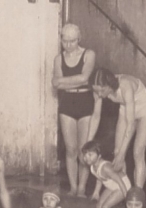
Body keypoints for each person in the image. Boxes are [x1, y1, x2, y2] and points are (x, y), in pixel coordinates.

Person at [88, 68, 146, 189]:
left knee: (137, 152)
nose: (99, 94)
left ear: (109, 84)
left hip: (145, 109)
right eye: (97, 91)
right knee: (117, 151)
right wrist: (88, 143)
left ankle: (137, 194)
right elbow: (95, 116)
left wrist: (122, 154)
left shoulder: (126, 85)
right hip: (126, 108)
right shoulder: (97, 87)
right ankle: (124, 189)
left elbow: (131, 125)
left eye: (102, 90)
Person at [52, 23, 96, 196]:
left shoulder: (89, 54)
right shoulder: (58, 59)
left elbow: (85, 78)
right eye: (65, 40)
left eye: (72, 41)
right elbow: (56, 84)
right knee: (70, 149)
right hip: (67, 103)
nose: (68, 44)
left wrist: (64, 81)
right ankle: (72, 187)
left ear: (79, 39)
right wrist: (76, 80)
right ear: (61, 39)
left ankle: (82, 188)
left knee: (83, 149)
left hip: (85, 101)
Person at [81, 141, 131, 208]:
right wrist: (96, 192)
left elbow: (119, 180)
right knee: (98, 206)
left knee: (105, 207)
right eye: (85, 155)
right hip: (111, 185)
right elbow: (99, 178)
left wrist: (127, 197)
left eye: (90, 154)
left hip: (122, 186)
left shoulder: (105, 167)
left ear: (99, 156)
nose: (86, 158)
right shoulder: (92, 166)